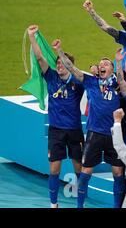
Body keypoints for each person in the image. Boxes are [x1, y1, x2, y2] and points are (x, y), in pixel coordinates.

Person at [53, 40, 126, 208]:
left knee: (118, 172)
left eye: (106, 64)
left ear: (111, 69)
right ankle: (80, 207)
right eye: (100, 64)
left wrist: (119, 62)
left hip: (114, 135)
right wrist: (59, 51)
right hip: (94, 133)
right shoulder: (91, 81)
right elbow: (72, 68)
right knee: (85, 172)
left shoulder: (116, 84)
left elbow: (122, 81)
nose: (102, 66)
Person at [27, 25, 85, 208]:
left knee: (79, 169)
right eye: (58, 63)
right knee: (54, 168)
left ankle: (81, 204)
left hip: (74, 130)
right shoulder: (51, 78)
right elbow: (40, 58)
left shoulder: (78, 82)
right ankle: (53, 204)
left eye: (63, 63)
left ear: (70, 65)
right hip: (56, 131)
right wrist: (32, 37)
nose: (59, 65)